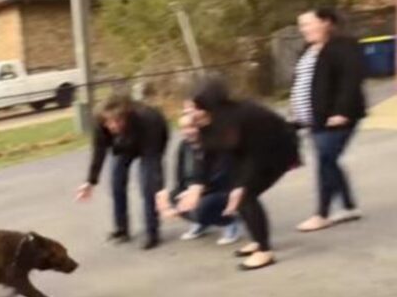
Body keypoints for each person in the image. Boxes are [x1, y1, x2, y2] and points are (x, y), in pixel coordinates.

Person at [178, 78, 300, 270]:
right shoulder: (205, 122)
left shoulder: (243, 116)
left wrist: (243, 184)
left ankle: (265, 252)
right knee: (239, 192)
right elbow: (205, 155)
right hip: (245, 154)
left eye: (192, 107)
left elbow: (256, 155)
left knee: (244, 195)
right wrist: (196, 186)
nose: (187, 112)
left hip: (275, 151)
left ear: (208, 106)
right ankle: (259, 241)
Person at [291, 8, 366, 232]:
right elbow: (303, 82)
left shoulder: (344, 46)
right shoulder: (308, 49)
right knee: (329, 159)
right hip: (314, 118)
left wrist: (341, 111)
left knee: (325, 159)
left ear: (325, 22)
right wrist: (297, 112)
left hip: (338, 117)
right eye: (301, 25)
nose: (303, 29)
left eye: (308, 24)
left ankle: (322, 214)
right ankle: (349, 206)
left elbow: (351, 80)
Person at [76, 93, 170, 250]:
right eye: (108, 122)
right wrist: (90, 181)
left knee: (148, 186)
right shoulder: (101, 122)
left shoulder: (148, 118)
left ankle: (152, 233)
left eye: (117, 121)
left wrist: (158, 186)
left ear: (126, 116)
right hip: (124, 145)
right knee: (116, 182)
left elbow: (154, 158)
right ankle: (122, 229)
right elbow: (99, 151)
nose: (112, 126)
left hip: (150, 142)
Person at [156, 106, 241, 246]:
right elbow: (180, 174)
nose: (187, 132)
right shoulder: (184, 146)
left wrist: (197, 192)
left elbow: (222, 176)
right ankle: (202, 222)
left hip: (221, 190)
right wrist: (180, 192)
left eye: (191, 127)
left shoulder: (214, 145)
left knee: (201, 206)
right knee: (173, 198)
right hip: (194, 190)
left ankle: (229, 221)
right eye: (183, 128)